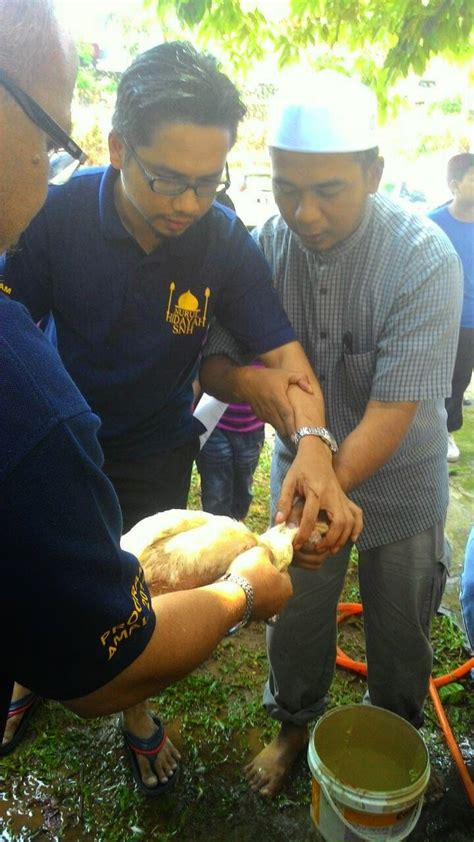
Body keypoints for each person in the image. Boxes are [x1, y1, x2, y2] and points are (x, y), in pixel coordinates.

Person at [1, 40, 361, 791]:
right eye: (167, 180)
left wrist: (317, 446)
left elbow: (288, 364)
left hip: (154, 447)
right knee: (37, 583)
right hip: (60, 448)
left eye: (208, 182)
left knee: (140, 589)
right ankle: (24, 674)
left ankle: (137, 716)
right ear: (117, 146)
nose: (187, 205)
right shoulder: (57, 215)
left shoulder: (221, 240)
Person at [199, 69, 463, 796]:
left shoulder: (423, 258)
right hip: (300, 482)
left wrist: (327, 488)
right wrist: (304, 474)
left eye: (328, 191)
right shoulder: (262, 248)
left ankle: (394, 726)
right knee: (298, 616)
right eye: (287, 186)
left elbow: (395, 409)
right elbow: (216, 360)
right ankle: (293, 724)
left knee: (403, 624)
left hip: (403, 487)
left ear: (374, 173)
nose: (303, 212)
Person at [428, 153, 474, 463]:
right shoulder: (432, 223)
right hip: (451, 320)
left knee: (462, 379)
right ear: (454, 185)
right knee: (451, 379)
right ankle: (443, 431)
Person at [196, 362, 265, 520]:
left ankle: (236, 530)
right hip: (214, 426)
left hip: (251, 429)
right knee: (216, 493)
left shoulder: (267, 341)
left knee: (243, 488)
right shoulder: (215, 339)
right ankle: (216, 536)